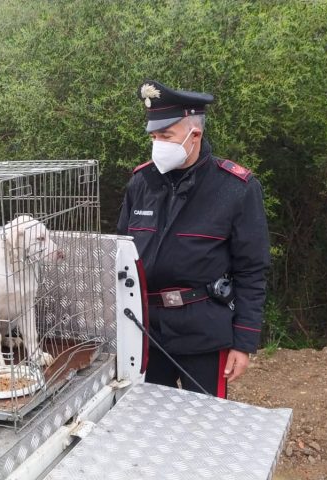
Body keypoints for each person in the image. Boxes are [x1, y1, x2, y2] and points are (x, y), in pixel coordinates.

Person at [117, 80, 270, 398]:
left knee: (205, 428)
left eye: (166, 136)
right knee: (145, 422)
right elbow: (121, 255)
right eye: (154, 136)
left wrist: (243, 342)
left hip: (204, 331)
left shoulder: (236, 189)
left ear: (194, 135)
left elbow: (252, 270)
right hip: (146, 331)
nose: (158, 143)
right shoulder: (141, 183)